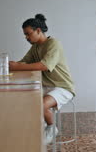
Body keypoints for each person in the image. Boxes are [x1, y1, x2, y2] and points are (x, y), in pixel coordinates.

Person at [9, 14, 75, 144]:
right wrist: (12, 64)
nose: (26, 38)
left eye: (28, 34)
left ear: (38, 30)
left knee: (39, 105)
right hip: (47, 86)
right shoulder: (35, 47)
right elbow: (24, 62)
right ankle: (36, 130)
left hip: (63, 87)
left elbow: (44, 66)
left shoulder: (53, 44)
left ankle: (51, 128)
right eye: (25, 35)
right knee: (25, 100)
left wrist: (17, 66)